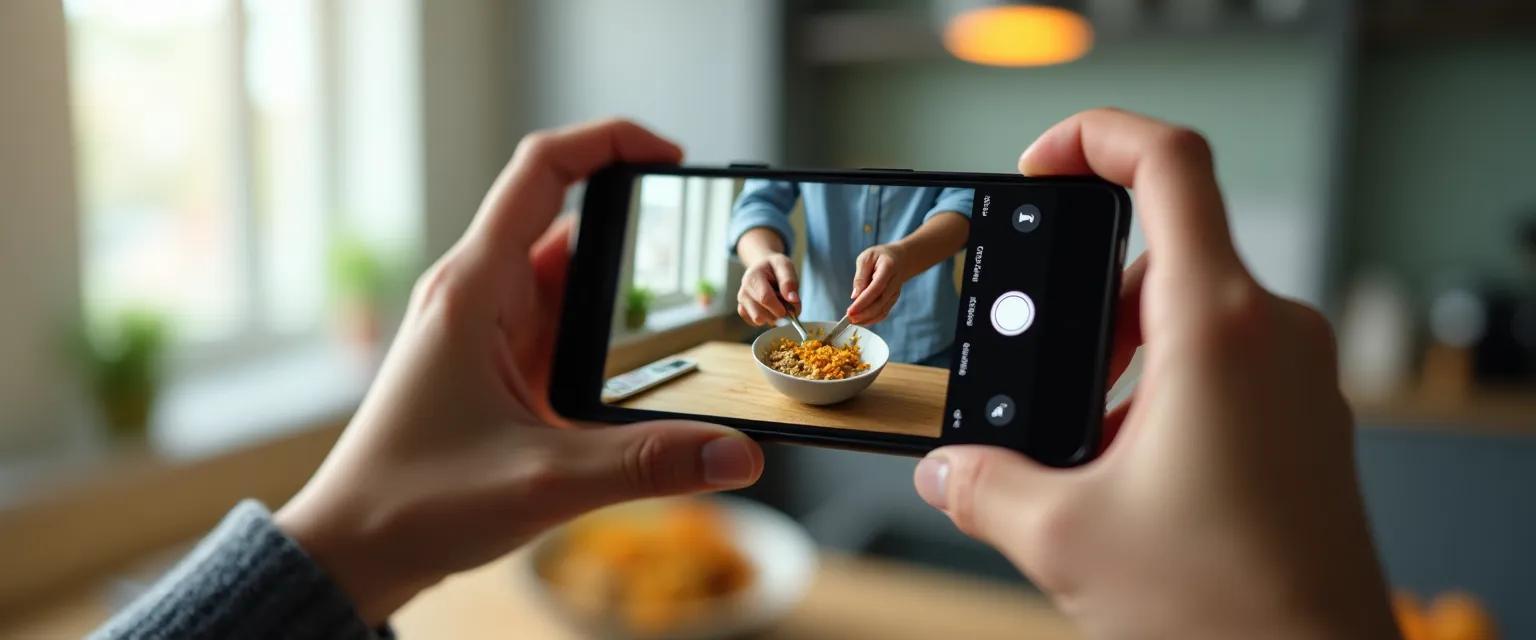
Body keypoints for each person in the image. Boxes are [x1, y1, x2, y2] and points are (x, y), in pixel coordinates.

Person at [92, 109, 1400, 639]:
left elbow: (966, 211)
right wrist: (762, 250)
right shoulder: (775, 250)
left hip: (922, 357)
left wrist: (912, 251)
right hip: (812, 341)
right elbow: (762, 201)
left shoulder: (928, 210)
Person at [730, 180, 971, 366]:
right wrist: (761, 256)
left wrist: (905, 256)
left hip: (927, 345)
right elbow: (759, 201)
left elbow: (968, 199)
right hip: (820, 313)